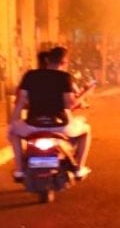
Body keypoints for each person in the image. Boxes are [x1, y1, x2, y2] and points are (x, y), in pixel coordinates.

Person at [9, 46, 93, 180]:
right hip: (60, 126)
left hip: (33, 125)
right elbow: (70, 104)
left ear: (47, 60)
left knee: (13, 133)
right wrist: (86, 93)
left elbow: (20, 101)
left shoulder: (30, 75)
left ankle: (19, 170)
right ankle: (79, 169)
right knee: (86, 131)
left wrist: (13, 123)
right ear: (65, 62)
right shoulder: (65, 77)